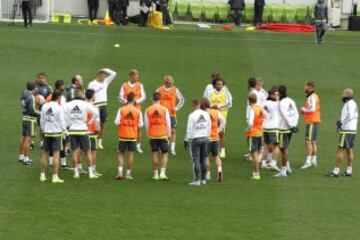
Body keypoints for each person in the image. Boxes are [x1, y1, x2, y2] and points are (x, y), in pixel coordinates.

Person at [64, 89, 99, 179]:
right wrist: (89, 122)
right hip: (83, 129)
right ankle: (91, 173)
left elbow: (63, 116)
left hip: (72, 130)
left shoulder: (68, 104)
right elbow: (96, 113)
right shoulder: (85, 104)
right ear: (82, 95)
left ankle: (76, 172)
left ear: (73, 95)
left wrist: (68, 124)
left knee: (74, 152)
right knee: (87, 151)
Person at [329, 89, 358, 177]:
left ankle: (336, 171)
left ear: (346, 95)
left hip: (347, 130)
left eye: (343, 94)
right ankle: (349, 171)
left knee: (340, 149)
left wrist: (342, 122)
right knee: (349, 149)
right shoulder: (353, 103)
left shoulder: (349, 104)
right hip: (352, 129)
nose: (342, 96)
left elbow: (350, 115)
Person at [39, 90, 67, 183]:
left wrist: (43, 130)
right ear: (58, 97)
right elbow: (62, 122)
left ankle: (42, 175)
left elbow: (42, 120)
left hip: (47, 133)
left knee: (44, 154)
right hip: (56, 133)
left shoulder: (44, 106)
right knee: (56, 154)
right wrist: (65, 131)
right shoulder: (59, 108)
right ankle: (55, 177)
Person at [114, 92, 144, 180]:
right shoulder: (138, 111)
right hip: (132, 136)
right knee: (130, 155)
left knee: (120, 153)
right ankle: (128, 174)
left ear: (127, 99)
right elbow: (141, 125)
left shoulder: (121, 109)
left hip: (123, 135)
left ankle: (120, 172)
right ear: (134, 100)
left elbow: (116, 122)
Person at [88, 68, 117, 150]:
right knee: (93, 124)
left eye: (104, 76)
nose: (103, 78)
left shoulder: (106, 82)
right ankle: (92, 140)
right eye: (102, 76)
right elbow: (89, 94)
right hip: (95, 105)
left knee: (102, 125)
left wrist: (105, 69)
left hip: (103, 105)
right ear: (98, 76)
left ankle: (99, 142)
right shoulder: (92, 83)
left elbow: (114, 73)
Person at [145, 92, 171, 181]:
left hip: (153, 134)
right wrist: (169, 134)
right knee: (165, 153)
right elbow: (168, 122)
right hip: (163, 134)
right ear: (160, 99)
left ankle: (155, 174)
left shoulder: (148, 109)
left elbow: (147, 124)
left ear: (152, 99)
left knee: (154, 153)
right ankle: (162, 173)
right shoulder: (164, 109)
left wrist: (148, 134)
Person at [274, 85, 299, 178]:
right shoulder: (291, 100)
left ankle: (283, 170)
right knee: (284, 149)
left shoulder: (281, 103)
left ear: (280, 93)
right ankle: (287, 167)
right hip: (289, 129)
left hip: (283, 129)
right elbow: (296, 114)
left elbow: (285, 116)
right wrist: (294, 125)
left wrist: (291, 125)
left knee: (283, 149)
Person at [185, 98, 211, 187]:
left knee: (195, 160)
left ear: (193, 105)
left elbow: (189, 129)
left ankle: (197, 180)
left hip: (195, 139)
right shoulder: (206, 114)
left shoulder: (191, 115)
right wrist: (207, 136)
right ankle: (203, 179)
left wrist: (187, 139)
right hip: (205, 138)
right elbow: (209, 126)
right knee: (203, 159)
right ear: (200, 104)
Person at [119, 69, 146, 153]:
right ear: (131, 76)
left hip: (136, 109)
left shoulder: (140, 85)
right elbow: (120, 97)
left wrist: (136, 102)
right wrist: (126, 102)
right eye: (135, 75)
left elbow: (143, 97)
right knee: (124, 125)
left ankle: (138, 145)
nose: (137, 77)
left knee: (138, 128)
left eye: (137, 75)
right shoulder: (124, 85)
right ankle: (122, 143)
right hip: (126, 110)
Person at [156, 75, 185, 156]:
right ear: (165, 82)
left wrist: (176, 108)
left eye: (171, 83)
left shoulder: (175, 90)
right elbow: (154, 98)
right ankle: (163, 147)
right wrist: (157, 108)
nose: (170, 84)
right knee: (163, 131)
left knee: (173, 131)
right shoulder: (159, 89)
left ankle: (172, 149)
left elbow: (182, 99)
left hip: (172, 114)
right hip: (162, 114)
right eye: (168, 83)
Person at [45, 80, 70, 169]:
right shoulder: (61, 98)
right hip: (59, 126)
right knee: (62, 144)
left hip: (49, 126)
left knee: (50, 147)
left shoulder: (49, 97)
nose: (64, 87)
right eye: (63, 86)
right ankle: (63, 164)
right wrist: (65, 127)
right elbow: (64, 111)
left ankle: (51, 162)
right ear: (60, 87)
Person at [205, 77, 232, 159]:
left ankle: (222, 150)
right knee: (209, 131)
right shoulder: (211, 92)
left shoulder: (226, 92)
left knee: (221, 133)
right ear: (215, 85)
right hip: (211, 115)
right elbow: (207, 102)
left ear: (223, 85)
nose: (219, 85)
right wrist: (211, 106)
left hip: (221, 116)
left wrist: (218, 106)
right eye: (217, 84)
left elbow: (229, 103)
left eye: (220, 84)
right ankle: (210, 149)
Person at [202, 98, 226, 182]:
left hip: (206, 137)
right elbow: (223, 121)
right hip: (215, 137)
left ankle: (208, 174)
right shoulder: (216, 112)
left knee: (206, 156)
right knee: (216, 156)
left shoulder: (203, 113)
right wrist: (219, 130)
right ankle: (219, 170)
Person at [300, 81, 321, 170]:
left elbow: (312, 109)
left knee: (308, 141)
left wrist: (303, 109)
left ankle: (308, 161)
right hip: (314, 121)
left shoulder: (312, 97)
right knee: (313, 141)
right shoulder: (314, 96)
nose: (304, 88)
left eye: (305, 86)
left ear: (310, 87)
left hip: (312, 122)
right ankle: (313, 160)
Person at [19, 82, 40, 165]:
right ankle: (26, 159)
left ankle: (21, 156)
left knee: (23, 138)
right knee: (28, 140)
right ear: (34, 88)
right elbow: (32, 110)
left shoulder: (24, 93)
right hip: (30, 119)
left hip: (24, 118)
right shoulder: (31, 97)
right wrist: (41, 113)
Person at [246, 93, 266, 180]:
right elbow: (266, 116)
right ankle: (255, 173)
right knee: (256, 153)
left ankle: (256, 173)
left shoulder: (252, 109)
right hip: (259, 133)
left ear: (249, 101)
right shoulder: (260, 108)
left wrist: (248, 129)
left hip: (253, 133)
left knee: (254, 154)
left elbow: (250, 122)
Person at [262, 87, 280, 171]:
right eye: (276, 94)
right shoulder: (276, 104)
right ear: (272, 95)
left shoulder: (263, 103)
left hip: (265, 127)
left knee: (265, 146)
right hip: (274, 128)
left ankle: (264, 163)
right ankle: (273, 163)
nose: (278, 96)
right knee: (277, 146)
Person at [86, 89, 102, 177]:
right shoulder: (95, 107)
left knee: (80, 151)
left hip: (83, 131)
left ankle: (78, 169)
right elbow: (97, 120)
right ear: (93, 96)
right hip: (92, 132)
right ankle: (92, 170)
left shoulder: (83, 105)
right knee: (93, 151)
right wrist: (98, 129)